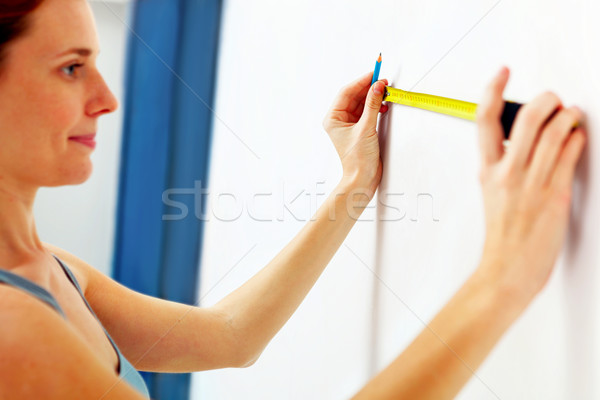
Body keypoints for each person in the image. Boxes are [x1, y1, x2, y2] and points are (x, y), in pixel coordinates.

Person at [0, 1, 585, 400]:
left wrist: (353, 186)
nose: (106, 99)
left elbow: (231, 335)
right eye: (71, 68)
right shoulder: (13, 329)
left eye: (97, 65)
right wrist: (499, 283)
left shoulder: (54, 271)